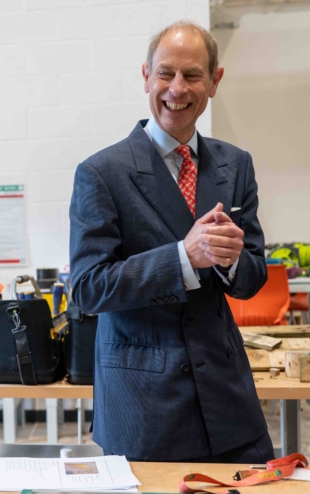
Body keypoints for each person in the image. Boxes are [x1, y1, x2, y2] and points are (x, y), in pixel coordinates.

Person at [69, 21, 273, 463]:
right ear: (146, 76)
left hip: (228, 397)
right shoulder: (102, 173)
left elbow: (252, 275)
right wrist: (183, 257)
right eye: (165, 73)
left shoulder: (235, 165)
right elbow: (87, 286)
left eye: (192, 75)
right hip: (145, 404)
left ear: (214, 82)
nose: (176, 88)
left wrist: (234, 260)